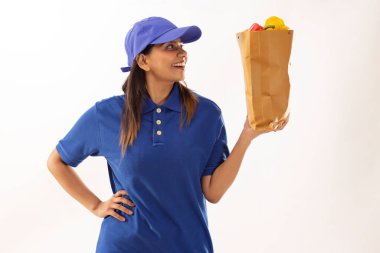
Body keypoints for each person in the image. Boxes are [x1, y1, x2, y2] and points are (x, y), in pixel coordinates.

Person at [47, 16, 289, 253]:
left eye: (181, 47)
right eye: (170, 47)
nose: (182, 53)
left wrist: (247, 135)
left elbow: (213, 192)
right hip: (123, 246)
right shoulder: (106, 115)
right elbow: (57, 161)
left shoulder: (207, 114)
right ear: (143, 61)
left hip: (188, 246)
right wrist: (96, 205)